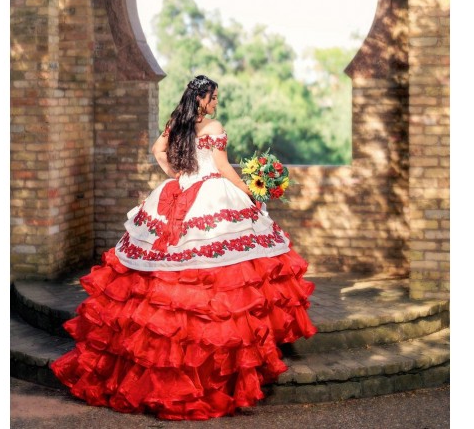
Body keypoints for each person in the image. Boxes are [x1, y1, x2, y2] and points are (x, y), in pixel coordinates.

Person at [51, 75, 317, 420]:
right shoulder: (213, 126)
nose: (216, 103)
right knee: (223, 270)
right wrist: (250, 191)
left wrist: (176, 173)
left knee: (172, 265)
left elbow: (158, 150)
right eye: (214, 97)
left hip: (177, 190)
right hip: (210, 190)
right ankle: (216, 348)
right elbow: (221, 167)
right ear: (202, 98)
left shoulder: (176, 122)